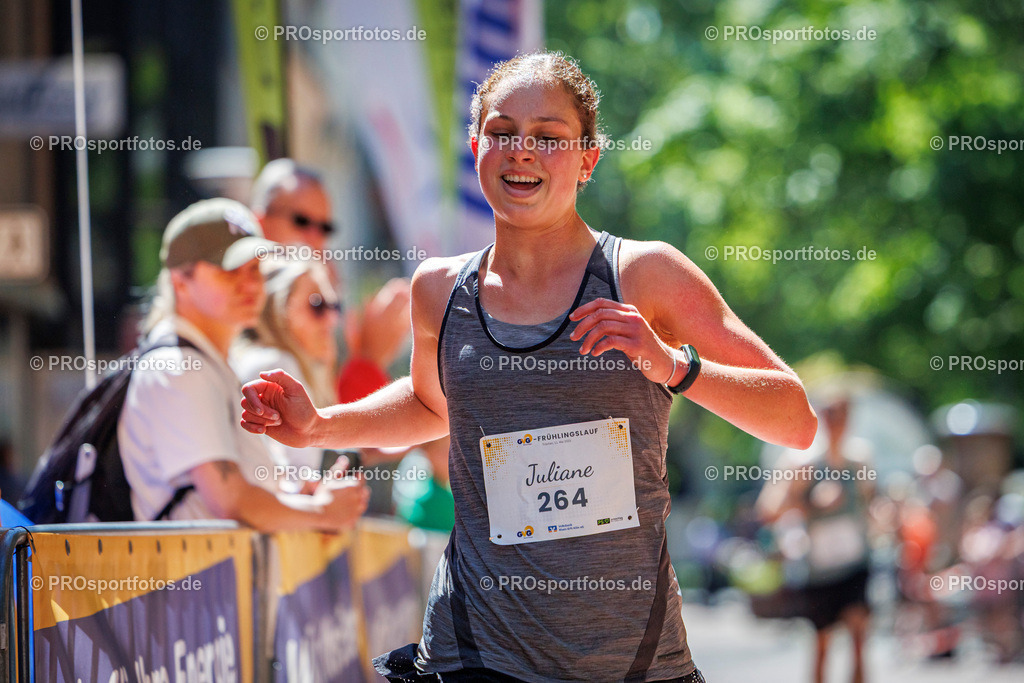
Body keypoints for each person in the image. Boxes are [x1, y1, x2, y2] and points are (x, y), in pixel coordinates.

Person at [241, 52, 817, 682]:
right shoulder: (438, 288)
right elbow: (432, 408)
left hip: (625, 658)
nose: (522, 151)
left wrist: (671, 364)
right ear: (475, 145)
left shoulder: (644, 275)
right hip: (475, 651)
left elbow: (796, 421)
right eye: (503, 132)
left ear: (588, 158)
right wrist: (319, 426)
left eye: (548, 137)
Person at [118, 198, 368, 531]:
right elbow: (230, 500)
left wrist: (296, 494)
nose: (250, 284)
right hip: (193, 581)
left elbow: (239, 493)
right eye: (229, 269)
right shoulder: (178, 367)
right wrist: (322, 512)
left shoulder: (209, 363)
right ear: (180, 281)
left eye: (254, 269)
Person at [250, 158, 412, 402]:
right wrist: (369, 359)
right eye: (301, 221)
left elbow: (329, 411)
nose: (315, 239)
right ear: (259, 223)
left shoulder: (326, 284)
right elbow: (330, 430)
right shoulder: (240, 300)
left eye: (325, 228)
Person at [757, 396, 873, 683]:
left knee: (859, 636)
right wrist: (810, 502)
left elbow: (871, 502)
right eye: (831, 415)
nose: (837, 422)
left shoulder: (859, 459)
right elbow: (768, 509)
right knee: (823, 644)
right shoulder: (801, 462)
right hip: (819, 569)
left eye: (842, 415)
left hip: (855, 562)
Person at [231, 258, 341, 476]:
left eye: (335, 306)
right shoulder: (275, 363)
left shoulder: (266, 358)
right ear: (277, 309)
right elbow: (298, 477)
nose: (331, 319)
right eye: (317, 305)